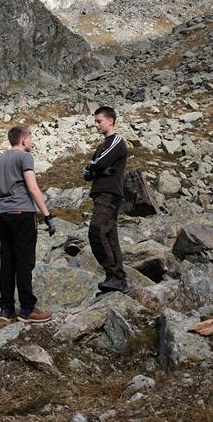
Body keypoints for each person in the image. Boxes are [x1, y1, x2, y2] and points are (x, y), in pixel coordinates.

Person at [0, 126, 56, 323]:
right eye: (31, 139)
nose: (32, 142)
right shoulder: (25, 157)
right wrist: (47, 214)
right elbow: (33, 188)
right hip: (23, 212)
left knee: (7, 261)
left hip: (2, 214)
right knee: (24, 261)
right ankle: (27, 309)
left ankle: (6, 309)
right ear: (24, 139)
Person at [84, 106, 129, 294]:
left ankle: (114, 275)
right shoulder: (102, 145)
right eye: (95, 122)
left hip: (109, 192)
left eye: (99, 121)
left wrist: (95, 168)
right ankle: (117, 279)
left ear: (110, 121)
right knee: (109, 234)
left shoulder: (116, 140)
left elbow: (97, 164)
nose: (95, 125)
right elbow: (87, 173)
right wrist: (95, 168)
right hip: (102, 192)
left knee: (96, 231)